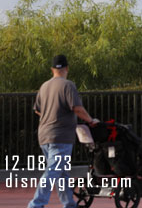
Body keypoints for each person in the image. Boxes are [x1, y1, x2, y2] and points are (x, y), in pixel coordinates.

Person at [27, 55, 98, 208]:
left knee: (62, 172)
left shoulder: (44, 86)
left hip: (44, 135)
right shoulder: (68, 85)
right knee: (53, 171)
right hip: (61, 136)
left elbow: (37, 110)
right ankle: (36, 204)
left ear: (52, 69)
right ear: (67, 68)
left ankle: (69, 204)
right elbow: (77, 108)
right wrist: (91, 121)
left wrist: (51, 115)